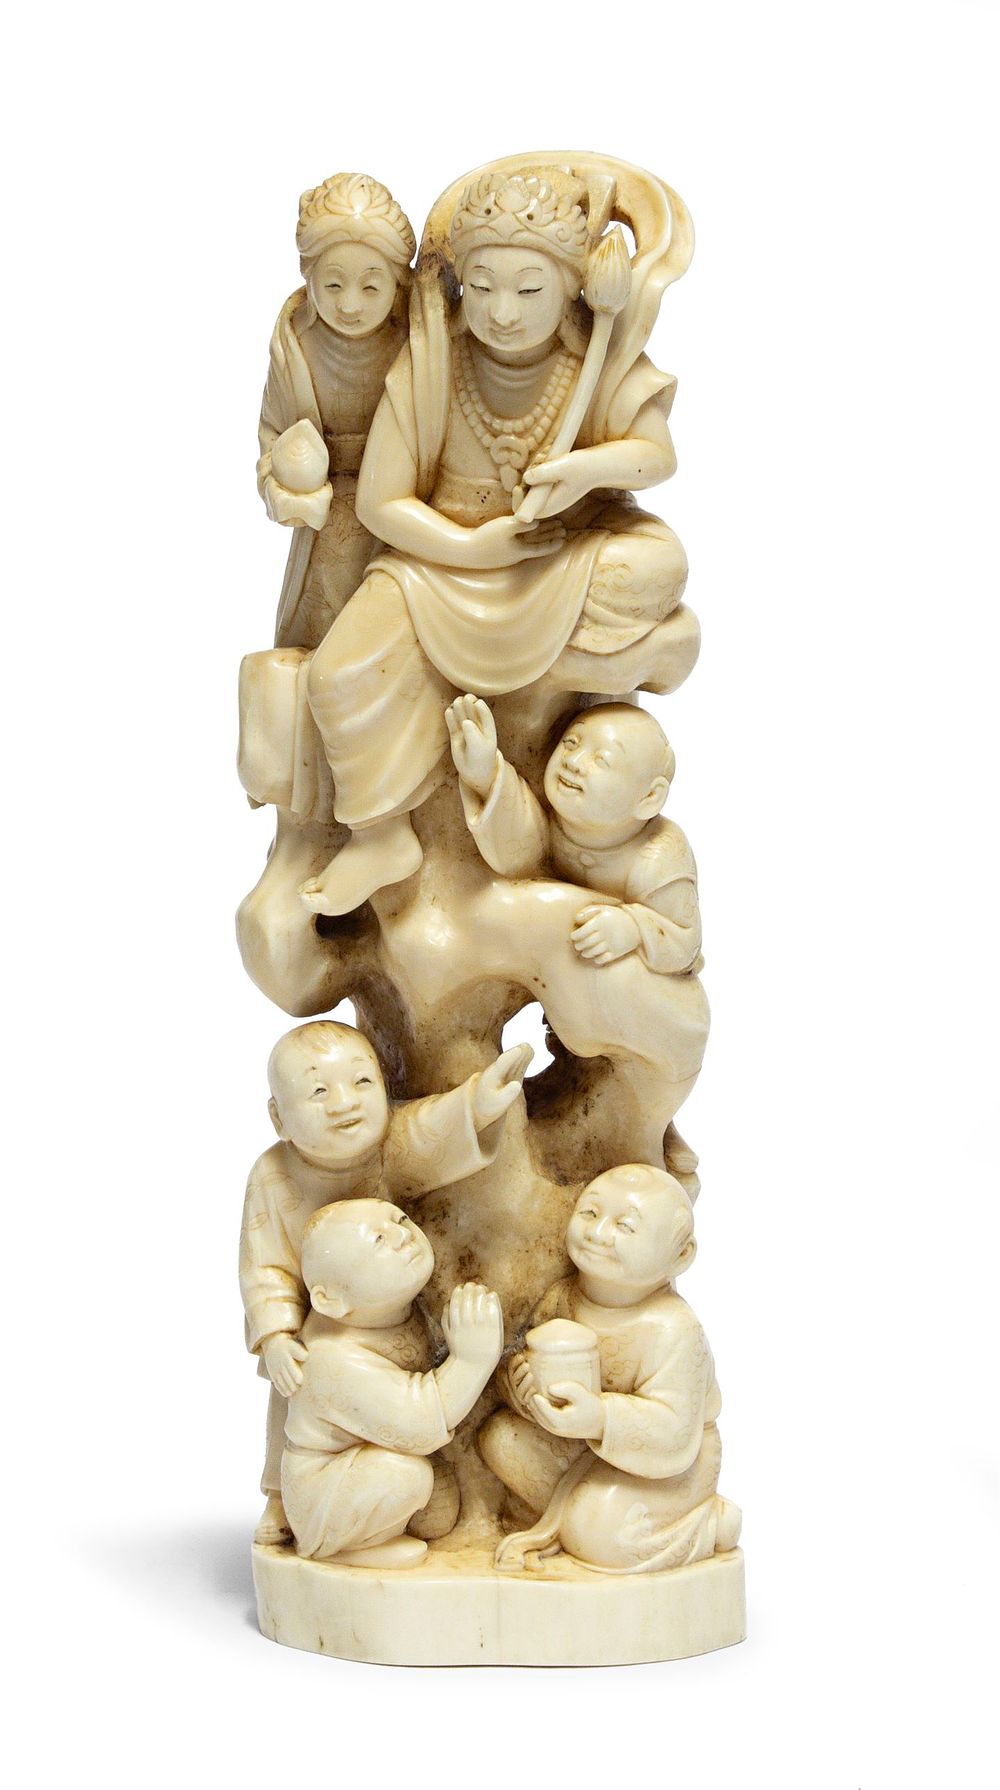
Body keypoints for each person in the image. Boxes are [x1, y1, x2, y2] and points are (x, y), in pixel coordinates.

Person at [301, 163, 691, 917]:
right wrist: (471, 549)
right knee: (337, 673)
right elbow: (381, 502)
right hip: (438, 561)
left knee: (658, 564)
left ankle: (559, 665)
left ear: (572, 289)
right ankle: (380, 834)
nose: (502, 312)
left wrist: (585, 470)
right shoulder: (434, 364)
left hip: (559, 553)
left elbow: (655, 455)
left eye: (529, 290)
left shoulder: (598, 359)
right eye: (482, 289)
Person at [239, 1019, 532, 1544]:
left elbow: (428, 1129)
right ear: (279, 1118)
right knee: (293, 1398)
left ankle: (390, 1477)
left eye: (362, 1082)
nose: (344, 1103)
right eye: (319, 1092)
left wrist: (477, 1103)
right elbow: (264, 1265)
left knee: (403, 1381)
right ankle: (283, 1499)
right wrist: (277, 1334)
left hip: (389, 1305)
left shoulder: (388, 1144)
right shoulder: (273, 1176)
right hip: (316, 1321)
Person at [479, 1164, 741, 1573]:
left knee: (599, 1532)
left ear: (681, 1255)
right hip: (584, 1448)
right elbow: (528, 1359)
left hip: (667, 1469)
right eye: (589, 1213)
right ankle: (572, 1520)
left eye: (625, 1226)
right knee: (501, 1440)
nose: (598, 1233)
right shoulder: (562, 1297)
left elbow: (675, 1434)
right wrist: (521, 1387)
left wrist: (600, 1417)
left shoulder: (672, 1328)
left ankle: (708, 1524)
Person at [279, 1201, 504, 1567]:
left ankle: (381, 1527)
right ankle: (342, 1549)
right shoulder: (332, 1358)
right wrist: (472, 1361)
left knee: (441, 1511)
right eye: (379, 1240)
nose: (403, 1234)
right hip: (324, 1494)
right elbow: (419, 1425)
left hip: (370, 1458)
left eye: (400, 1218)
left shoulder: (388, 1311)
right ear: (330, 1300)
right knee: (409, 1478)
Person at [257, 172, 415, 650]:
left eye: (371, 287)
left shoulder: (417, 342)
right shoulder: (296, 346)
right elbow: (273, 436)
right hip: (328, 518)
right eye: (332, 284)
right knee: (323, 626)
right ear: (309, 279)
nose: (349, 305)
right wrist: (283, 489)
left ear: (397, 282)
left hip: (401, 506)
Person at [447, 694, 701, 975]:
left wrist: (633, 929)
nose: (574, 761)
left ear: (650, 798)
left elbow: (685, 942)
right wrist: (485, 773)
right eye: (571, 743)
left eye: (602, 760)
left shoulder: (659, 857)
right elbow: (519, 847)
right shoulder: (555, 821)